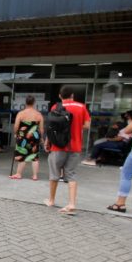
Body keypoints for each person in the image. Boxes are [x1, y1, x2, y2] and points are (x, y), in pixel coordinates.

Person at [44, 85, 91, 215]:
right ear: (72, 95)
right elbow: (87, 126)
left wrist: (48, 141)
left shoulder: (56, 107)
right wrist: (76, 126)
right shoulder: (82, 107)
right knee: (71, 175)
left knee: (54, 174)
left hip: (58, 146)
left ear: (60, 96)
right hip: (75, 146)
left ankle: (51, 200)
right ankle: (71, 204)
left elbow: (51, 127)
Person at [10, 95, 44, 180]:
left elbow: (16, 126)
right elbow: (41, 129)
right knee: (34, 156)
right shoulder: (38, 114)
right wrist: (41, 138)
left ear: (26, 102)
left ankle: (18, 174)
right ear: (34, 103)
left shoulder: (21, 113)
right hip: (35, 136)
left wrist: (15, 133)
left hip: (23, 136)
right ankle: (35, 175)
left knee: (22, 154)